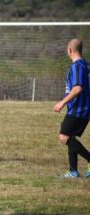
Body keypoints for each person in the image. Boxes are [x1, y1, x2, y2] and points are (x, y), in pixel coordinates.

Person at [54, 38, 90, 178]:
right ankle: (73, 170)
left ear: (70, 50)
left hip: (78, 108)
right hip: (83, 109)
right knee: (71, 136)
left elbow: (77, 88)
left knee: (64, 137)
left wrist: (62, 102)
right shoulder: (87, 66)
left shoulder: (77, 66)